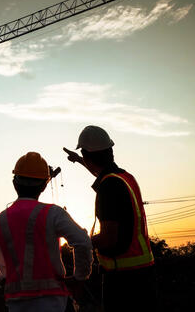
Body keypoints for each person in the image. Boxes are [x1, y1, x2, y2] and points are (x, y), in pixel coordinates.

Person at [0, 152, 93, 312]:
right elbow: (82, 242)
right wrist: (79, 278)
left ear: (14, 183)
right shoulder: (53, 214)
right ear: (44, 185)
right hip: (55, 303)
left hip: (16, 304)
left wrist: (2, 276)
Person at [63, 125, 156, 312]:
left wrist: (82, 242)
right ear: (110, 151)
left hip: (123, 280)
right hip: (143, 275)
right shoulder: (124, 177)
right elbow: (99, 170)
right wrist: (80, 160)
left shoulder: (108, 188)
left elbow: (108, 238)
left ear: (90, 157)